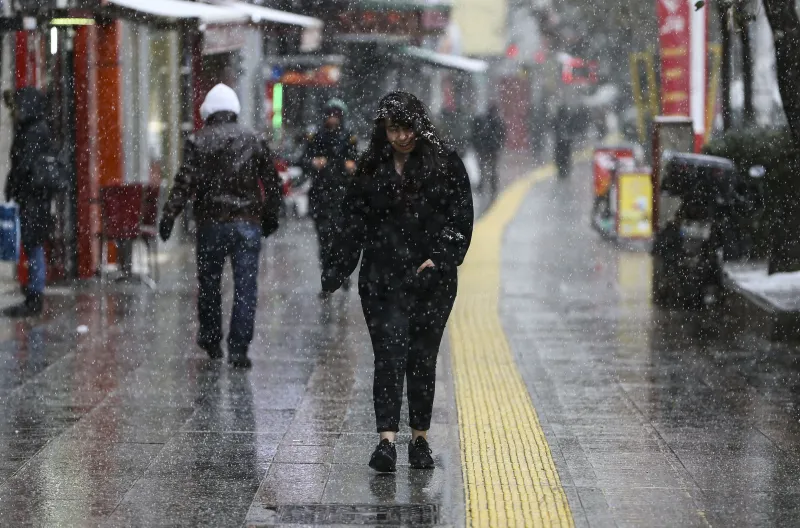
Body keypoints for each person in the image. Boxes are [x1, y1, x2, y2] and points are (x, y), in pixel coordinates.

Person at [322, 91, 474, 472]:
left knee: (422, 360)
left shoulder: (444, 164)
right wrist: (337, 268)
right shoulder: (371, 168)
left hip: (432, 282)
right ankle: (386, 441)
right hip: (381, 279)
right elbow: (352, 220)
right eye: (394, 130)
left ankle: (419, 439)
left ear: (420, 125)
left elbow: (461, 219)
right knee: (388, 357)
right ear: (383, 130)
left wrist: (439, 258)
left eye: (408, 128)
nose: (402, 137)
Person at [159, 84, 281, 369]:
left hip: (211, 224)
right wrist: (270, 217)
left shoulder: (199, 141)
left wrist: (169, 215)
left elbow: (184, 182)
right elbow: (272, 183)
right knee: (246, 287)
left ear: (209, 112)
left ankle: (212, 338)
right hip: (246, 224)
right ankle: (239, 348)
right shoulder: (253, 139)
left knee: (210, 283)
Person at [3, 88, 54, 317]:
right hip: (33, 197)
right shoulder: (34, 128)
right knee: (32, 244)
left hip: (33, 197)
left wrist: (13, 185)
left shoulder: (32, 131)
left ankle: (34, 296)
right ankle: (34, 293)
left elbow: (23, 165)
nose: (12, 113)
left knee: (33, 245)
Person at [303, 98, 358, 296]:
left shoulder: (348, 137)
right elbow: (304, 160)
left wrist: (351, 166)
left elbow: (357, 161)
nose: (333, 119)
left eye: (336, 115)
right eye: (330, 115)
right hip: (321, 198)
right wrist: (313, 163)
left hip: (342, 198)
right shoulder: (316, 137)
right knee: (324, 241)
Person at [472, 104, 506, 195]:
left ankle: (483, 185)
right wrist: (499, 146)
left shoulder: (483, 120)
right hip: (492, 149)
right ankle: (492, 186)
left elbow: (477, 134)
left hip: (484, 148)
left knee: (483, 168)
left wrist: (478, 146)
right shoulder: (497, 121)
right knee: (492, 168)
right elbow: (502, 135)